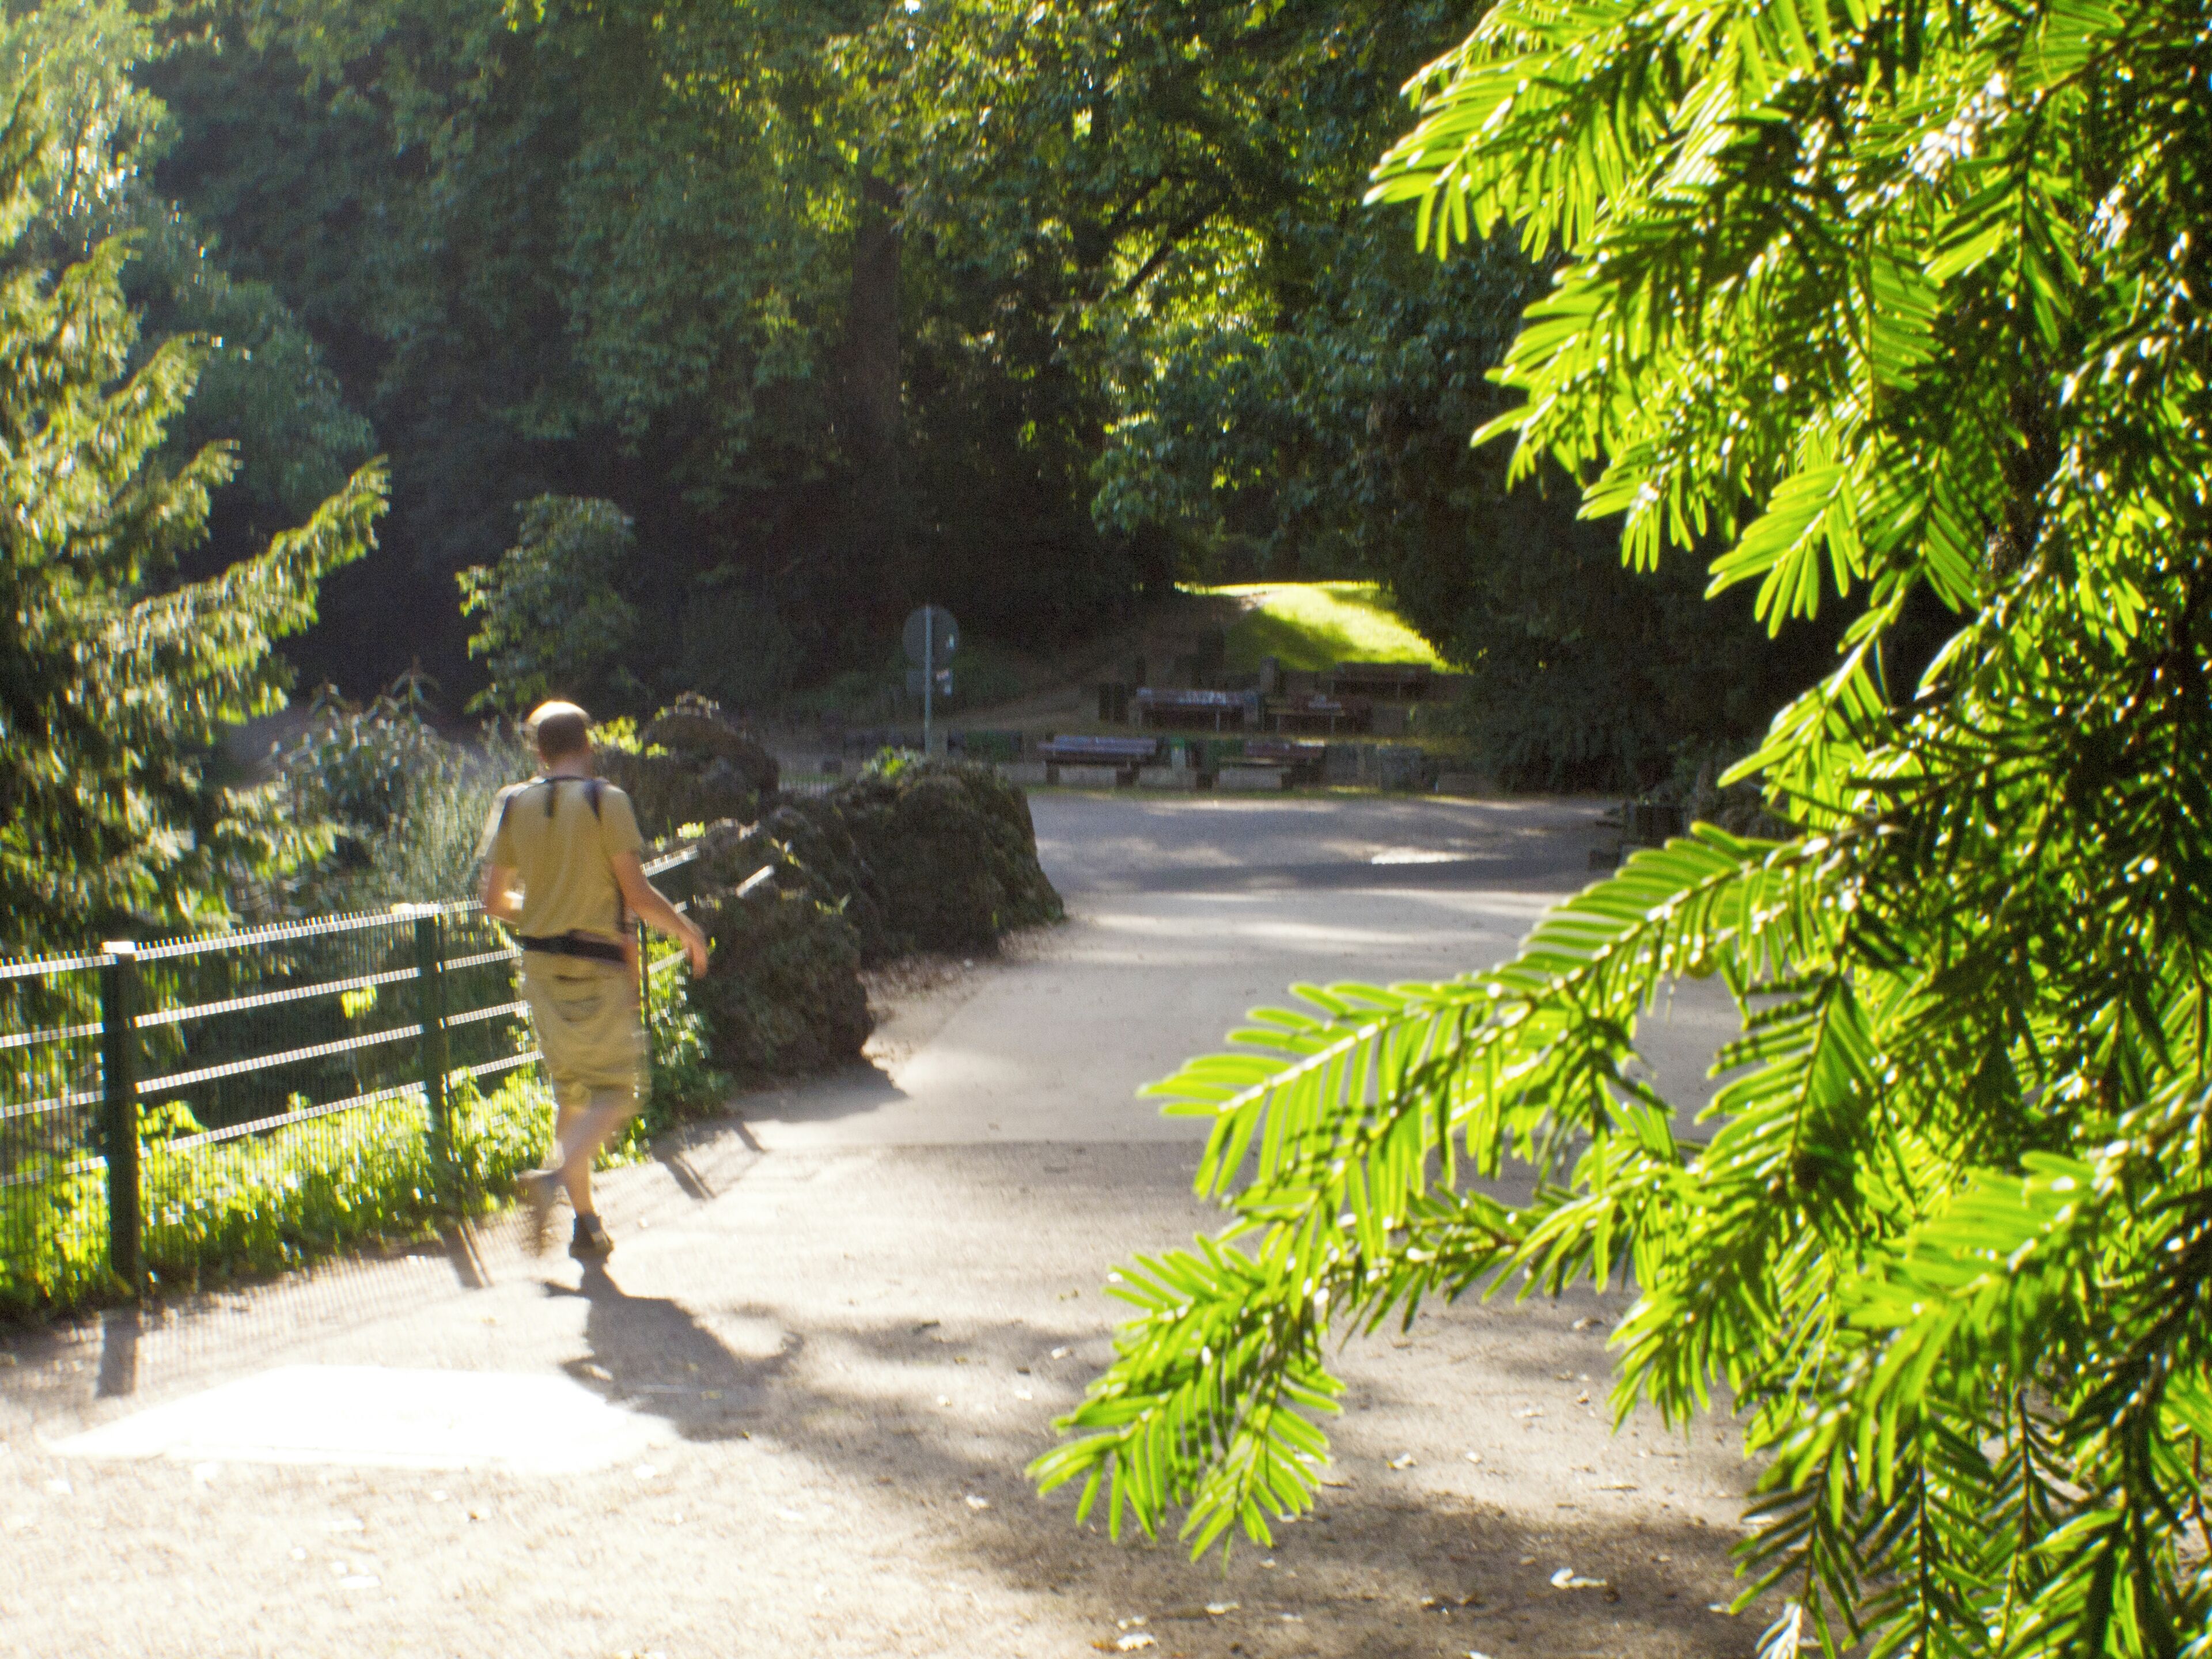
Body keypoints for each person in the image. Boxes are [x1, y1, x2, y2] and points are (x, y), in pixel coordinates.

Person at [479, 700, 710, 1259]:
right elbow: (635, 894)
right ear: (589, 745)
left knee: (572, 1093)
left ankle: (586, 1223)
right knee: (618, 1091)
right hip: (597, 965)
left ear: (538, 750)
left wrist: (544, 911)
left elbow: (492, 900)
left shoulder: (511, 804)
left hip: (538, 967)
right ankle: (554, 1181)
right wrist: (686, 930)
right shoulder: (607, 802)